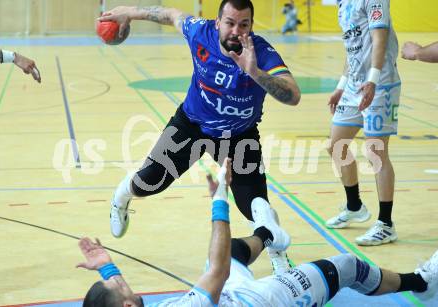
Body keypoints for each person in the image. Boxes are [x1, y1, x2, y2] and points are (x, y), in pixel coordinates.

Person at [98, 0, 301, 272]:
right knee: (148, 183)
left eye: (244, 25)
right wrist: (129, 13)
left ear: (251, 26)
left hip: (239, 135)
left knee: (255, 204)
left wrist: (255, 73)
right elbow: (170, 14)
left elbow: (293, 95)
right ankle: (121, 197)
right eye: (229, 23)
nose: (235, 31)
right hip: (191, 125)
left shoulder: (261, 52)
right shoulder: (199, 32)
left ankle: (279, 259)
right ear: (218, 22)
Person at [77, 159, 438, 306]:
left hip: (230, 295)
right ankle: (420, 283)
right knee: (344, 266)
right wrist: (220, 199)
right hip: (261, 302)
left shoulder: (127, 304)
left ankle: (267, 234)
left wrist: (108, 267)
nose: (121, 280)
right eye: (119, 283)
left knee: (232, 250)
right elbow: (215, 273)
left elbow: (122, 297)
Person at [325, 0, 401, 246]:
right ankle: (355, 206)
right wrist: (340, 86)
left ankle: (386, 224)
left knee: (376, 152)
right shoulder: (342, 3)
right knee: (336, 145)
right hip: (353, 85)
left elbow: (380, 38)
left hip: (379, 84)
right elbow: (352, 49)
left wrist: (373, 80)